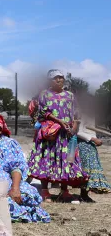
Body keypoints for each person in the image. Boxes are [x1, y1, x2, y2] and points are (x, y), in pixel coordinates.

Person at [0, 112, 50, 223]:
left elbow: (16, 168)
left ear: (0, 130)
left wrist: (15, 188)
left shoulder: (9, 144)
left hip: (10, 184)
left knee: (28, 195)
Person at [28, 70, 86, 202]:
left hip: (66, 134)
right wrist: (59, 121)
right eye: (55, 78)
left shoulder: (70, 95)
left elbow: (77, 112)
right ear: (50, 81)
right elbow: (43, 112)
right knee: (47, 159)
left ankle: (64, 190)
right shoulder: (44, 94)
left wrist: (75, 126)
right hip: (51, 134)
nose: (59, 80)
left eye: (61, 77)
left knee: (66, 160)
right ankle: (45, 191)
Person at [76, 97, 110, 199]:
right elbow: (78, 132)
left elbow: (91, 130)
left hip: (91, 145)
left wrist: (96, 140)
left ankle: (88, 192)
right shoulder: (82, 113)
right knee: (87, 169)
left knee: (92, 168)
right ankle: (84, 193)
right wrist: (93, 139)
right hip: (83, 145)